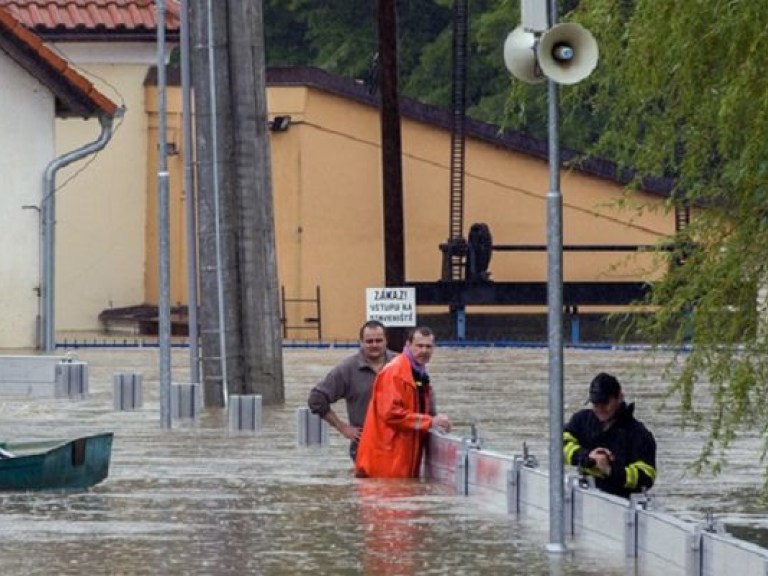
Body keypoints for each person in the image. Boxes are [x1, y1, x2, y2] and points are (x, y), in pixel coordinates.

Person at [355, 326, 452, 478]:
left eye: (428, 346)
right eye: (419, 346)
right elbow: (391, 414)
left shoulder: (418, 373)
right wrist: (430, 422)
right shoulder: (395, 372)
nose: (424, 350)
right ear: (408, 345)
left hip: (399, 460)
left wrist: (437, 422)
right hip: (385, 462)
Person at [307, 320, 396, 461]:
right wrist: (342, 427)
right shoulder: (347, 369)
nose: (374, 345)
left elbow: (423, 389)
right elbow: (316, 399)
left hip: (399, 446)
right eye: (369, 341)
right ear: (361, 342)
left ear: (386, 341)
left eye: (379, 340)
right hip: (364, 448)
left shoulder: (401, 364)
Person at [563, 372, 657, 499]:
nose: (600, 408)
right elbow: (558, 445)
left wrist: (609, 469)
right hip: (585, 501)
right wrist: (586, 457)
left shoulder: (638, 434)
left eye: (605, 403)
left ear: (620, 397)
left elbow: (647, 477)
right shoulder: (582, 420)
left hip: (621, 505)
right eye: (596, 404)